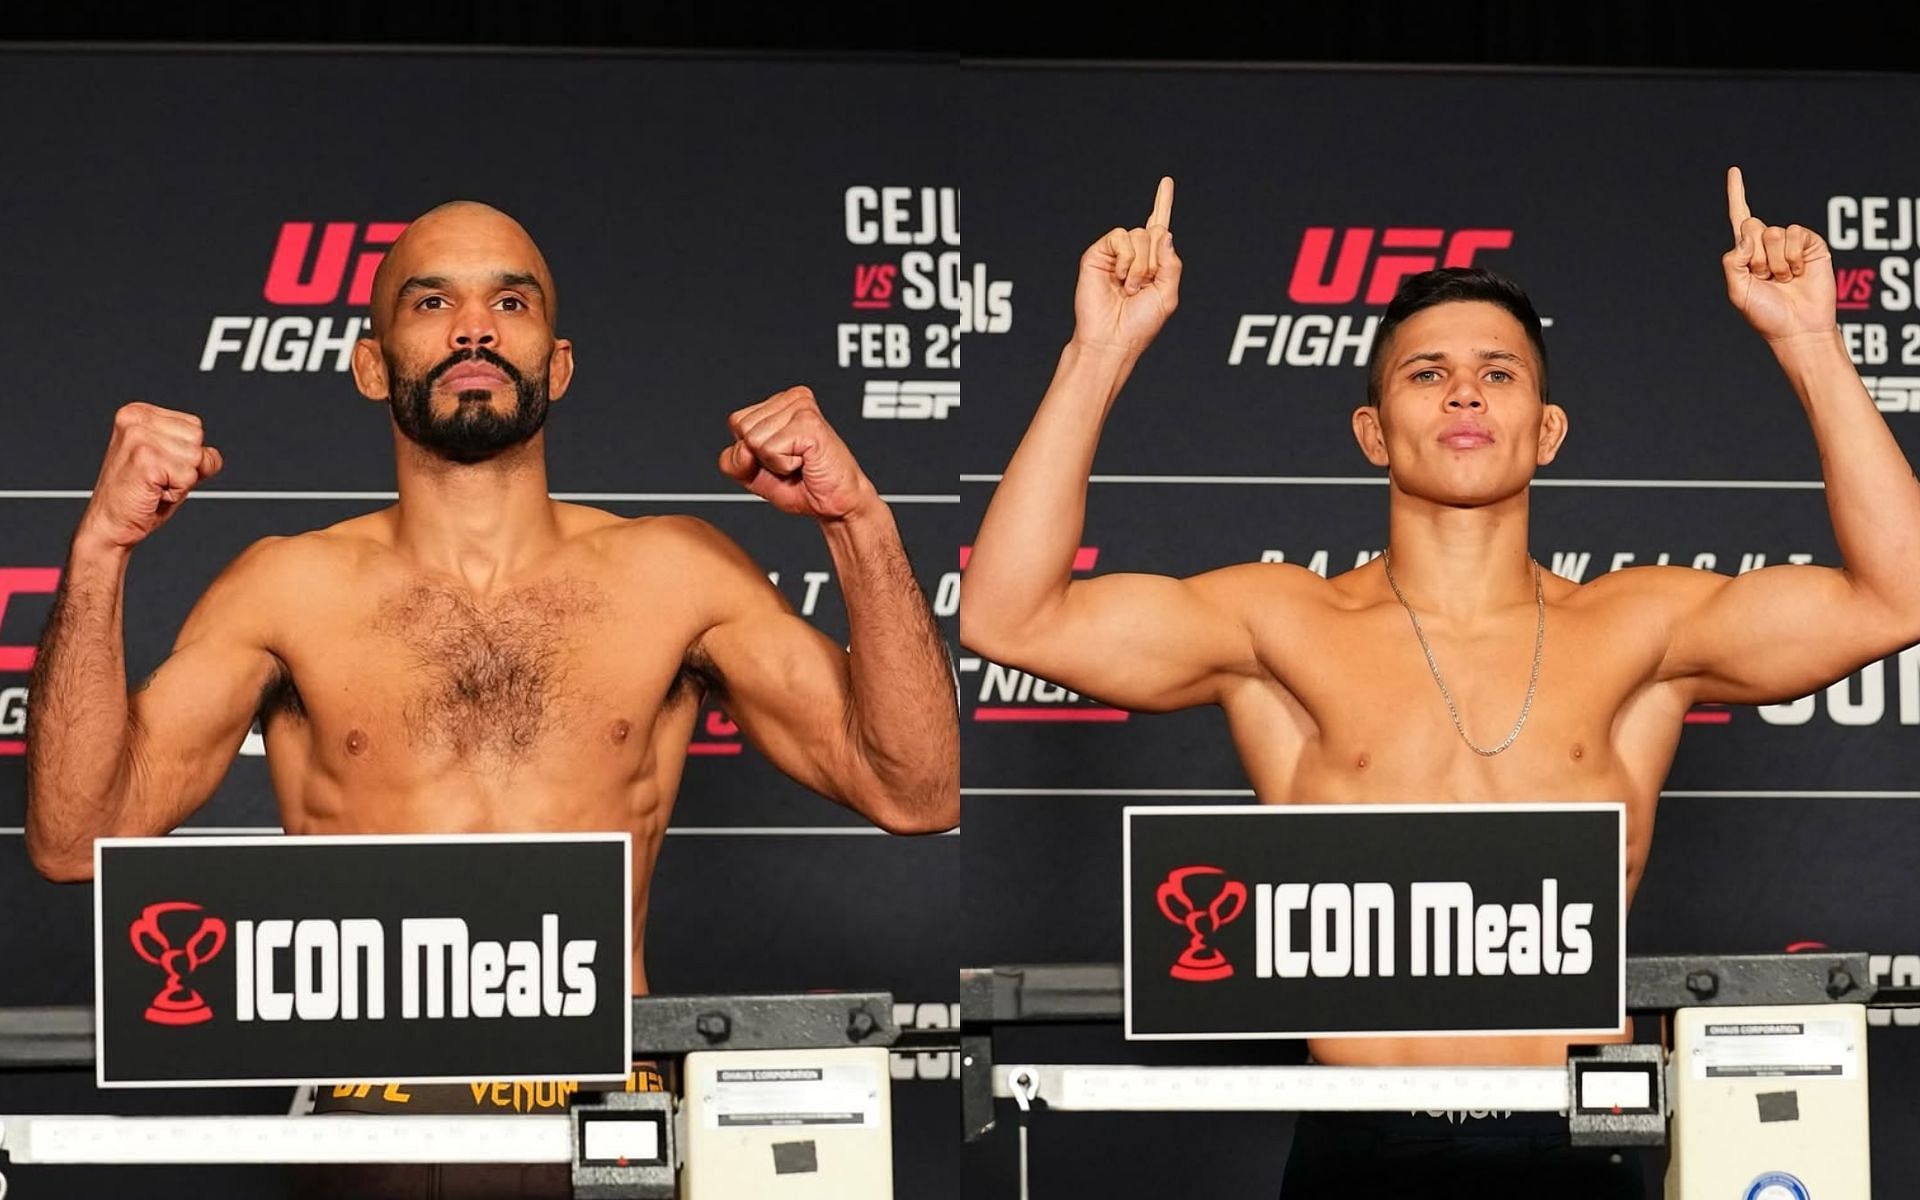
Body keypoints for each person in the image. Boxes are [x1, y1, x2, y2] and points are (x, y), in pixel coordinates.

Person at [958, 172, 1920, 1196]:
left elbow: (1896, 596)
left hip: (1574, 1140)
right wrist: (1099, 350)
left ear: (1547, 430)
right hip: (1360, 1142)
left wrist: (1810, 342)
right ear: (1373, 431)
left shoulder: (1643, 627)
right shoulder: (1282, 625)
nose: (1465, 391)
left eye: (1499, 372)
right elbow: (1009, 614)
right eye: (1426, 373)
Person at [23, 200, 959, 1195]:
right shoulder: (285, 589)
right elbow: (76, 837)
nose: (474, 327)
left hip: (610, 1102)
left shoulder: (675, 574)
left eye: (509, 300)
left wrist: (856, 520)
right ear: (373, 362)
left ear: (555, 362)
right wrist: (101, 551)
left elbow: (917, 788)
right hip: (371, 1116)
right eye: (432, 301)